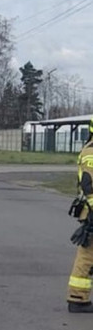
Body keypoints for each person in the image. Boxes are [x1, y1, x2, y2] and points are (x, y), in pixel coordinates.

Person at [68, 119, 93, 313]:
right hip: (92, 211)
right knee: (87, 256)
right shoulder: (90, 152)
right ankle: (77, 298)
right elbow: (88, 183)